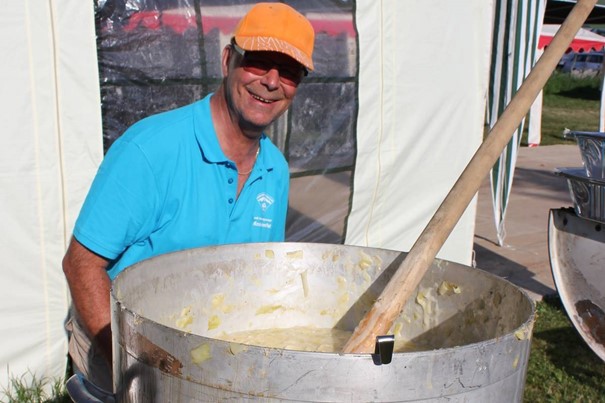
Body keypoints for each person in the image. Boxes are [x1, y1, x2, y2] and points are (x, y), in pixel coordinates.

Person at [63, 2, 315, 391]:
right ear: (227, 60)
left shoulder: (275, 171)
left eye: (289, 72)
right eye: (259, 62)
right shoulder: (151, 149)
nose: (271, 81)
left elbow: (256, 277)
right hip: (120, 346)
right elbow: (81, 265)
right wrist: (133, 371)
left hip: (207, 356)